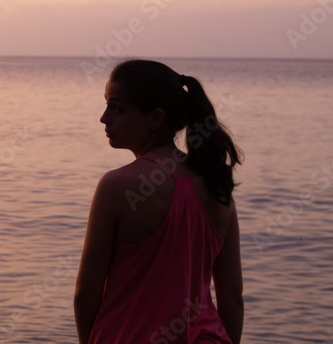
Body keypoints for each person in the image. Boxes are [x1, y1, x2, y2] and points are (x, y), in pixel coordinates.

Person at [73, 59, 243, 344]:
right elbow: (233, 298)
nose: (104, 118)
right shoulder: (217, 186)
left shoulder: (117, 186)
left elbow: (86, 294)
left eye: (117, 108)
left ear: (155, 118)